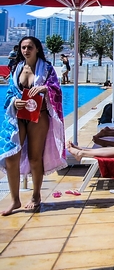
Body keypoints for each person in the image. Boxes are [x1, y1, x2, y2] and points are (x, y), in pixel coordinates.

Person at [1, 36, 67, 215]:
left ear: (37, 49)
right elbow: (8, 94)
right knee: (11, 158)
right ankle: (15, 200)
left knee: (34, 157)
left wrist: (45, 89)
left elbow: (57, 90)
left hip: (39, 115)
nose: (26, 50)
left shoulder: (46, 69)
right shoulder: (16, 69)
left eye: (30, 47)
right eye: (23, 47)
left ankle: (36, 195)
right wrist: (15, 101)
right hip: (18, 116)